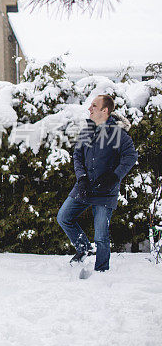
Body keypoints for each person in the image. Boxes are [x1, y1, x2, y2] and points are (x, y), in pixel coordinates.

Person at [57, 94, 138, 272]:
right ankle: (83, 248)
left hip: (105, 190)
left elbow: (131, 156)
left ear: (105, 110)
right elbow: (77, 156)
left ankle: (101, 270)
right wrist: (82, 178)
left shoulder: (117, 133)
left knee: (101, 235)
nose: (90, 109)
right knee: (64, 217)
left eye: (94, 105)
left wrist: (114, 177)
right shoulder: (87, 131)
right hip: (84, 187)